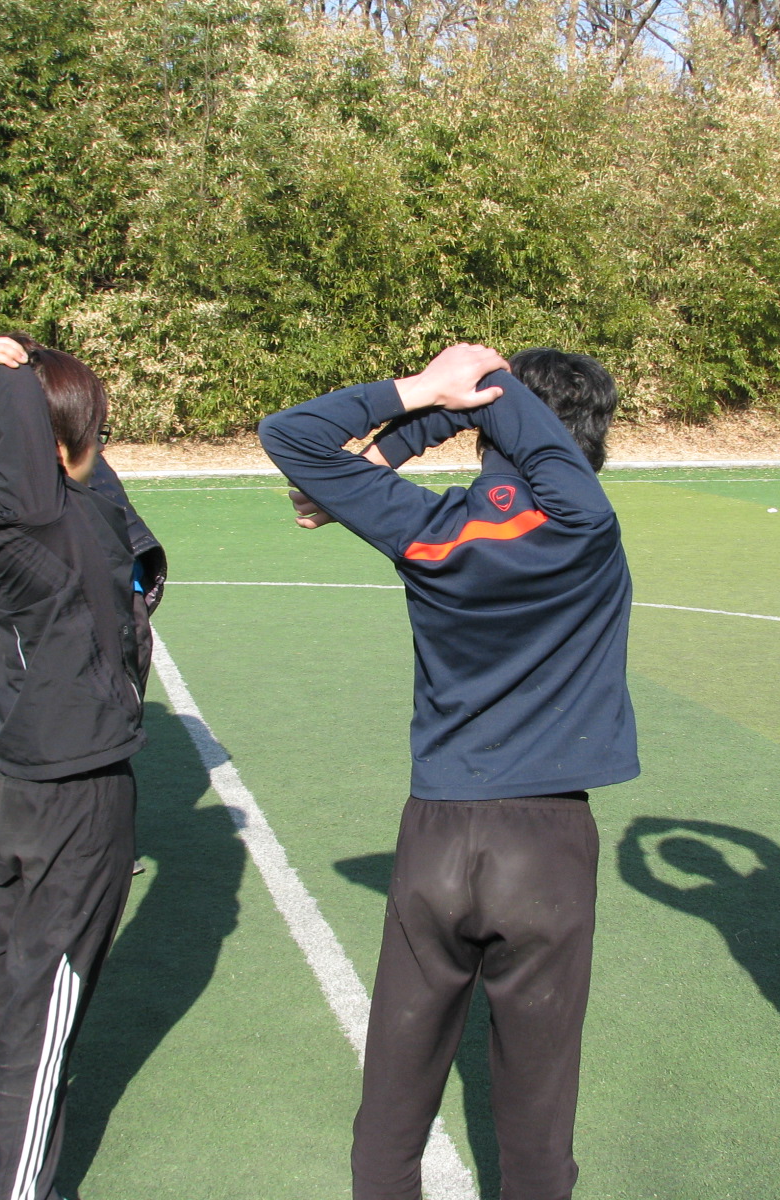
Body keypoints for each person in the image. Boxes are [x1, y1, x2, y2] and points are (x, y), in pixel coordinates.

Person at [259, 344, 639, 1200]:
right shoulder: (586, 523)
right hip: (546, 846)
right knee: (538, 1123)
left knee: (392, 1108)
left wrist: (420, 403)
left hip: (437, 834)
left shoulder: (431, 529)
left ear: (484, 425)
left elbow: (289, 435)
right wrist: (476, 393)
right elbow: (543, 451)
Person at [0, 335, 163, 1200]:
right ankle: (21, 1186)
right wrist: (4, 369)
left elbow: (14, 458)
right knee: (46, 1003)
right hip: (77, 794)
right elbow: (50, 446)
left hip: (21, 778)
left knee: (1, 957)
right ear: (59, 442)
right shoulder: (49, 516)